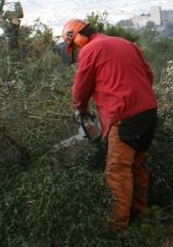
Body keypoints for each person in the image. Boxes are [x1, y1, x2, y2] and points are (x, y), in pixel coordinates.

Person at [58, 18, 158, 230]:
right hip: (148, 112)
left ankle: (116, 229)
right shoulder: (126, 43)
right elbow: (149, 75)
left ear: (77, 39)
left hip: (124, 117)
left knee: (117, 171)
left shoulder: (90, 50)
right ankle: (142, 218)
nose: (75, 52)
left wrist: (80, 109)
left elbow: (80, 88)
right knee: (137, 166)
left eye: (73, 47)